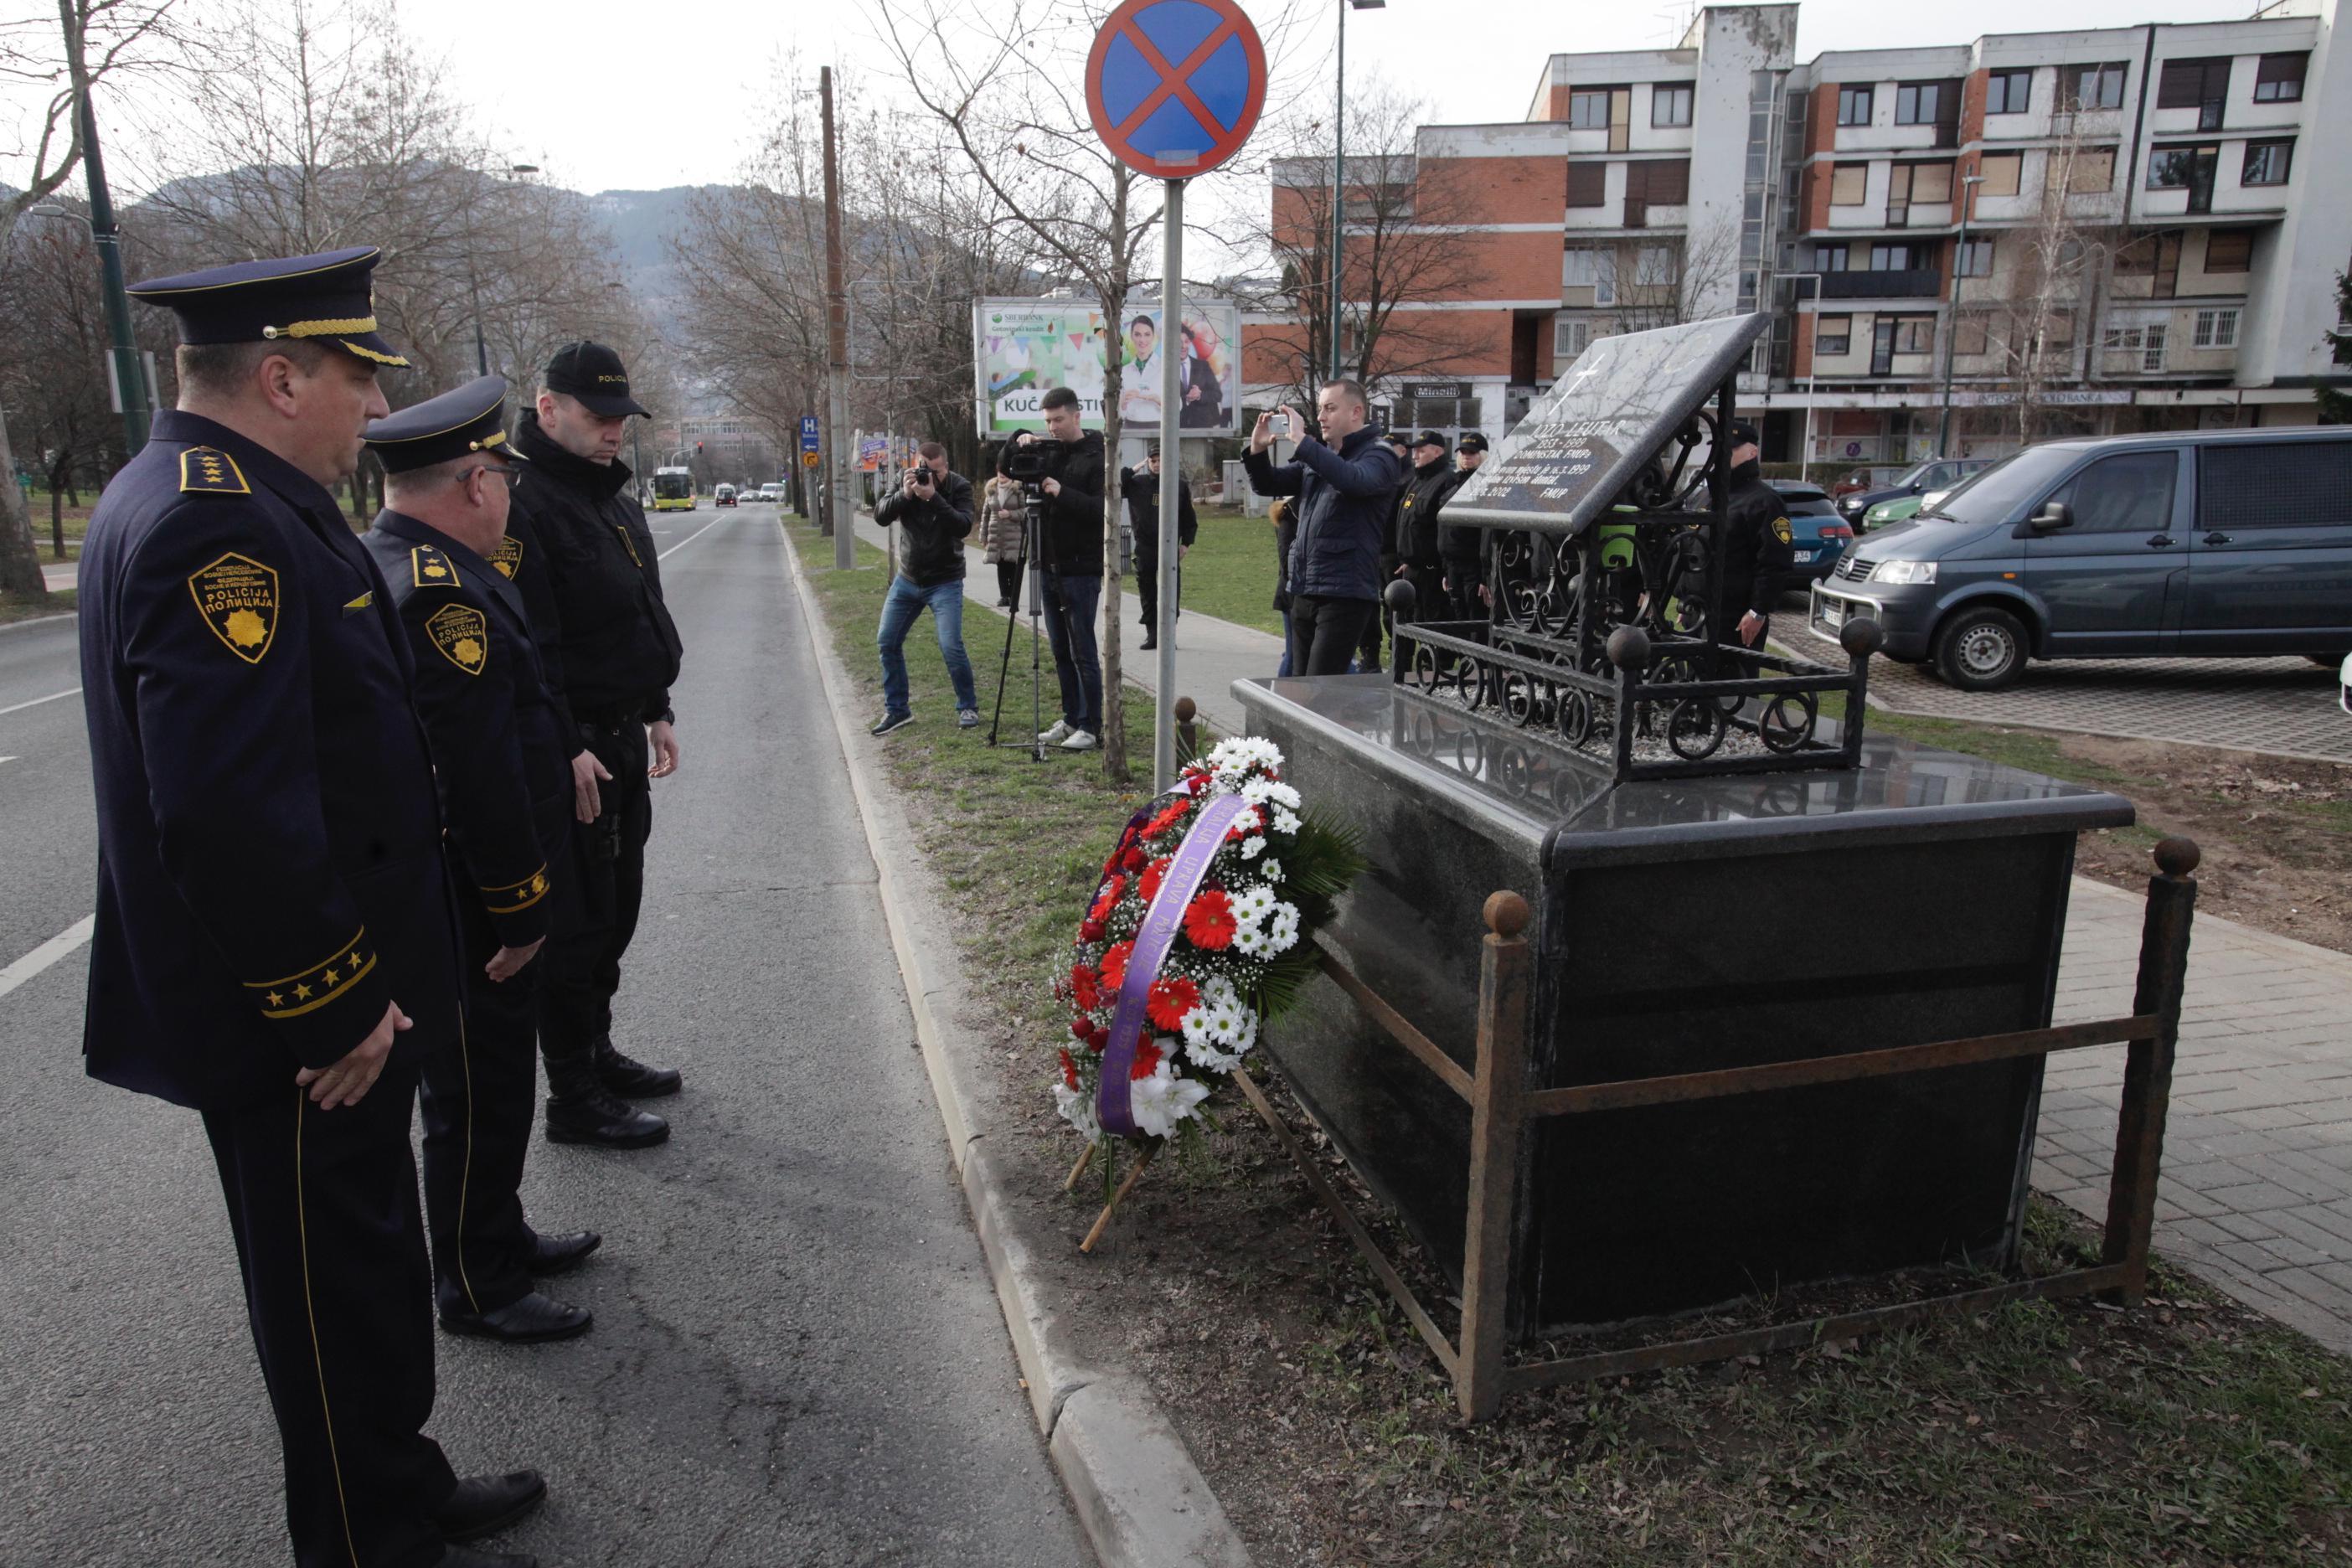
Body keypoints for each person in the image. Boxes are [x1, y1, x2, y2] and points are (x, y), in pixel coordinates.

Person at [81, 246, 546, 1568]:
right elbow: (225, 808)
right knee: (332, 1293)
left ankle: (397, 1484)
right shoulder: (212, 518)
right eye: (355, 377)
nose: (367, 408)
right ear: (280, 376)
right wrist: (332, 1005)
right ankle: (365, 1536)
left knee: (366, 1267)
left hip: (337, 998)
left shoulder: (211, 494)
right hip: (306, 1028)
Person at [364, 376, 601, 1349]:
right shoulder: (437, 595)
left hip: (474, 893)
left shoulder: (425, 566)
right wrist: (519, 912)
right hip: (471, 907)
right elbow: (476, 773)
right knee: (473, 1091)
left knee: (499, 1085)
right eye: (498, 478)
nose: (507, 494)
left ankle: (498, 1234)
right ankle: (478, 1280)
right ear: (473, 483)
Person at [508, 340, 683, 1151]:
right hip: (575, 750)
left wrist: (657, 707)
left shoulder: (610, 495)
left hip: (623, 734)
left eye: (621, 418)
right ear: (549, 409)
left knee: (618, 909)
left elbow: (633, 614)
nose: (615, 431)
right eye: (598, 416)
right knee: (574, 926)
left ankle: (597, 1050)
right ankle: (571, 1091)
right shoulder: (523, 501)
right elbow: (531, 644)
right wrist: (568, 741)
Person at [1243, 379, 1406, 676]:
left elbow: (1353, 480)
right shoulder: (1321, 458)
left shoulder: (1379, 455)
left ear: (1356, 412)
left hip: (1344, 593)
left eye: (1330, 408)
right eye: (1320, 409)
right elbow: (1268, 483)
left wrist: (1304, 443)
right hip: (1305, 588)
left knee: (1321, 690)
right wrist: (1257, 449)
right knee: (1302, 690)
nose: (1320, 417)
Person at [995, 385, 1106, 750]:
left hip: (1081, 567)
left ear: (1077, 415)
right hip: (1047, 563)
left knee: (1082, 651)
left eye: (1058, 419)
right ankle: (1072, 718)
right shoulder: (1050, 450)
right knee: (1059, 649)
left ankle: (1092, 726)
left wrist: (1062, 492)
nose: (1053, 427)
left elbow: (1103, 510)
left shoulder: (1098, 454)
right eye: (1047, 421)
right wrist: (1018, 439)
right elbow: (1003, 466)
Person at [871, 441, 979, 734]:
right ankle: (897, 710)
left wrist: (933, 498)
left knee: (951, 646)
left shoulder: (959, 486)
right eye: (922, 469)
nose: (926, 476)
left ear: (945, 466)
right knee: (887, 642)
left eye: (933, 471)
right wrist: (905, 495)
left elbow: (963, 526)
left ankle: (967, 705)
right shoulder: (904, 480)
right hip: (907, 580)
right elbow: (880, 515)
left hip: (945, 581)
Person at [1717, 419, 1798, 652]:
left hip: (1735, 618)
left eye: (1732, 448)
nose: (1724, 454)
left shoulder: (1765, 501)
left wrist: (1758, 611)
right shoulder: (1707, 496)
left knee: (1732, 683)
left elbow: (1775, 561)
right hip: (1700, 613)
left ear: (1752, 451)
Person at [1121, 440, 1195, 651]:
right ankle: (1152, 635)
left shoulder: (1178, 486)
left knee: (1170, 592)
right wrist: (1134, 469)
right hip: (1145, 548)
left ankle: (1168, 636)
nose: (1156, 464)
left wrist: (1186, 544)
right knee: (1147, 592)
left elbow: (1189, 517)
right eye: (1152, 460)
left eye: (1160, 460)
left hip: (1170, 547)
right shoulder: (1138, 483)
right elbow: (1114, 484)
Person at [1393, 429, 1458, 624]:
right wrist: (1408, 555)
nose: (1414, 455)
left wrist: (1444, 569)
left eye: (1421, 451)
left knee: (1433, 622)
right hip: (1412, 568)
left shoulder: (1446, 480)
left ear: (1437, 452)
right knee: (1412, 620)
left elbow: (1445, 530)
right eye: (1414, 451)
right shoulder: (1416, 480)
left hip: (1432, 571)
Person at [1439, 431, 1492, 621]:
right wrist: (1446, 568)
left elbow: (1488, 532)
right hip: (1453, 566)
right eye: (1463, 452)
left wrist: (1486, 577)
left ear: (1482, 455)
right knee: (1458, 615)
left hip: (1474, 567)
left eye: (1472, 453)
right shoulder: (1454, 484)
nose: (1466, 457)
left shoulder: (1487, 486)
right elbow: (1445, 530)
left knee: (1474, 617)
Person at [980, 468, 1026, 607]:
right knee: (1000, 566)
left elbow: (1026, 511)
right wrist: (983, 536)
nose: (1002, 474)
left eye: (1005, 472)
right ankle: (1004, 596)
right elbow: (985, 514)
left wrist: (1010, 514)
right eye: (1000, 471)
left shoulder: (1018, 489)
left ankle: (1014, 597)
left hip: (1013, 534)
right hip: (996, 534)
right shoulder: (991, 489)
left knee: (1013, 566)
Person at [1268, 497, 1297, 678]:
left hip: (1298, 590)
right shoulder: (1290, 514)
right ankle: (1279, 699)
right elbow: (1286, 559)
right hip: (1291, 593)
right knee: (1293, 653)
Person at [1177, 321, 1225, 430]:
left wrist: (1199, 395)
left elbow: (1217, 395)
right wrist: (1186, 399)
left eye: (1186, 341)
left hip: (1202, 427)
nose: (1183, 346)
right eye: (1178, 342)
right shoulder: (1164, 369)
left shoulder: (1203, 366)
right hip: (1175, 430)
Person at [1117, 314, 1162, 426]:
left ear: (1153, 336)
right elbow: (1120, 410)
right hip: (1131, 427)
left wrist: (1157, 399)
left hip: (1159, 428)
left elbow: (1178, 405)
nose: (1142, 340)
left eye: (1147, 335)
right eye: (1137, 335)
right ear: (1132, 337)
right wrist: (1122, 404)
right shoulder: (1125, 371)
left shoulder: (1165, 368)